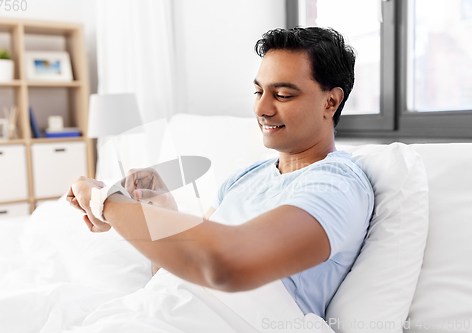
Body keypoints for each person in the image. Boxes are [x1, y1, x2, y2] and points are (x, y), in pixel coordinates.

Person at [67, 26, 374, 319]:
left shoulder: (337, 184)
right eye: (258, 91)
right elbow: (180, 274)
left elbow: (225, 265)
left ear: (331, 101)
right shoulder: (247, 177)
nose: (261, 108)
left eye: (281, 95)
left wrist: (105, 202)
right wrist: (163, 206)